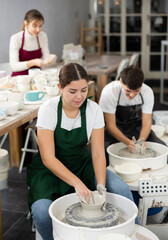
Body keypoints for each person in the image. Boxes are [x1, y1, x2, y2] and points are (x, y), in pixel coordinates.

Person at [27, 63, 136, 240]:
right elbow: (48, 158)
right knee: (42, 212)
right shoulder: (48, 109)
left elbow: (98, 154)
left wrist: (101, 186)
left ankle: (134, 234)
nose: (79, 96)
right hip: (50, 170)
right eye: (72, 91)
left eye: (84, 90)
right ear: (60, 88)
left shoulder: (93, 110)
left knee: (120, 187)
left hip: (82, 164)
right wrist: (77, 183)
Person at [99, 65, 166, 156]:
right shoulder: (110, 91)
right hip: (116, 127)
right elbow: (111, 126)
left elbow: (146, 123)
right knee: (102, 152)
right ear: (121, 81)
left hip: (135, 124)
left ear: (142, 83)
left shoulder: (147, 92)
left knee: (163, 147)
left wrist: (141, 141)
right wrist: (129, 143)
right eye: (128, 91)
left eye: (137, 91)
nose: (132, 95)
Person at [9, 9, 56, 76]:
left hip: (37, 78)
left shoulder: (43, 36)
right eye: (34, 26)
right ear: (26, 23)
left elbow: (45, 61)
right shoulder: (16, 38)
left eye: (40, 26)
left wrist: (50, 59)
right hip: (19, 79)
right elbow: (14, 66)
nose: (38, 29)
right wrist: (33, 62)